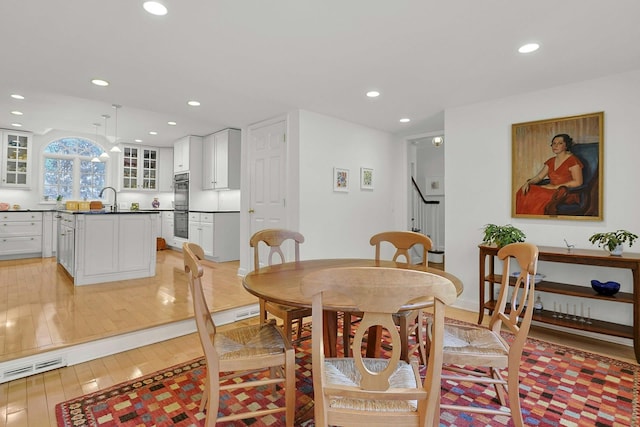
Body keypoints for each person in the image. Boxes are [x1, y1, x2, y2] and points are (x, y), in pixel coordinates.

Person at [515, 133, 584, 215]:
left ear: (566, 145)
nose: (556, 146)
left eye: (560, 143)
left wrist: (555, 187)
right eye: (554, 143)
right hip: (551, 190)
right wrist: (528, 182)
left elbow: (578, 182)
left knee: (537, 196)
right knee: (523, 191)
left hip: (566, 193)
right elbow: (539, 177)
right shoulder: (551, 161)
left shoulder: (573, 160)